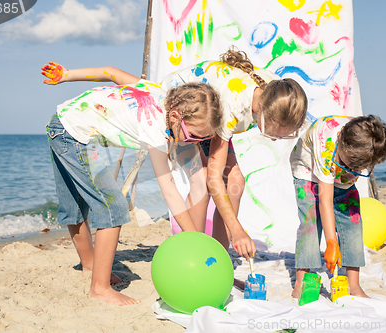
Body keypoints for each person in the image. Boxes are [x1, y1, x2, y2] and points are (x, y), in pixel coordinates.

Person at [41, 47, 309, 261]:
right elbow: (194, 183)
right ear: (261, 107)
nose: (274, 137)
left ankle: (216, 256)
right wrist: (234, 230)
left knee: (234, 180)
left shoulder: (279, 91)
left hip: (167, 115)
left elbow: (112, 72)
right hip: (179, 116)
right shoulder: (214, 114)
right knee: (201, 179)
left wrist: (67, 74)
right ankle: (197, 252)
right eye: (270, 129)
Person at [44, 78, 222, 306]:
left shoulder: (166, 97)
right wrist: (195, 239)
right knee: (113, 206)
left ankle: (90, 267)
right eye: (192, 136)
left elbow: (114, 76)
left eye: (202, 139)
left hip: (62, 123)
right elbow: (168, 188)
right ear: (177, 116)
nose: (193, 142)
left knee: (75, 203)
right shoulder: (153, 125)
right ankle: (99, 288)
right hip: (72, 135)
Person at [289, 115, 386, 298]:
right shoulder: (326, 142)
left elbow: (338, 197)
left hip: (340, 178)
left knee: (352, 221)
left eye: (357, 169)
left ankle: (354, 284)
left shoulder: (364, 141)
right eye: (345, 163)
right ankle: (301, 281)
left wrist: (348, 169)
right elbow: (325, 201)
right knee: (310, 221)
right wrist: (331, 243)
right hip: (308, 170)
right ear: (341, 138)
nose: (351, 169)